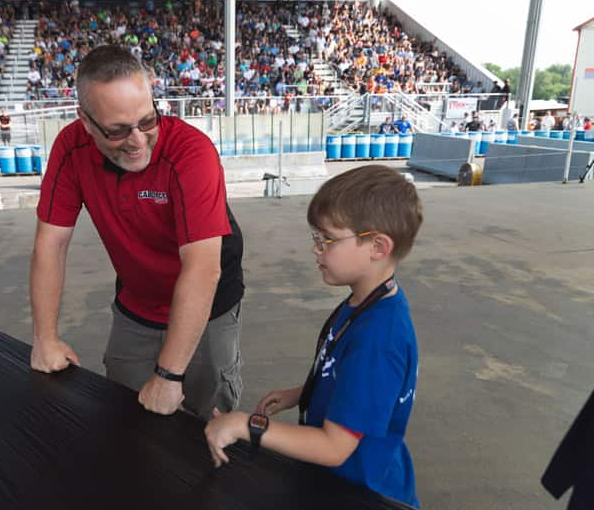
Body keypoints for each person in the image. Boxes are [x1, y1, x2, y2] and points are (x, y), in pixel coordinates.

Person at [31, 45, 245, 419]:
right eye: (117, 130)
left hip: (208, 305)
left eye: (148, 121)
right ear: (86, 122)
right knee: (124, 415)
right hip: (137, 303)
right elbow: (52, 243)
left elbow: (202, 268)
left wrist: (168, 373)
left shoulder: (191, 152)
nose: (137, 140)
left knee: (207, 417)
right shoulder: (70, 147)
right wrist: (44, 338)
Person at [205, 165, 422, 508]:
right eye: (315, 238)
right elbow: (352, 380)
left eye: (327, 239)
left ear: (378, 246)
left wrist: (246, 425)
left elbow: (334, 448)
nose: (316, 250)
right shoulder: (367, 301)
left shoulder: (378, 338)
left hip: (361, 489)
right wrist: (303, 393)